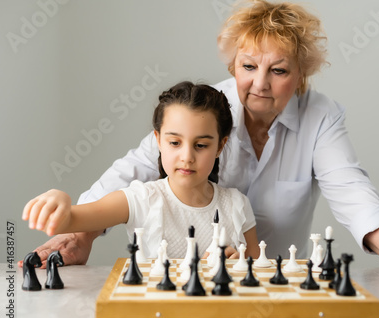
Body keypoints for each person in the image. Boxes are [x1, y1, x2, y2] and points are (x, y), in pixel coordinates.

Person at [21, 0, 379, 281]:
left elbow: (352, 191)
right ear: (232, 66)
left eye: (278, 70)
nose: (259, 84)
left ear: (302, 74)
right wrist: (79, 233)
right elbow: (136, 171)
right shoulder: (206, 113)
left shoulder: (321, 116)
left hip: (271, 283)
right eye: (248, 67)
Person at [22, 82, 259, 260]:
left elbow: (258, 272)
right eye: (174, 143)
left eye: (201, 145)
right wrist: (59, 201)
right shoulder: (140, 199)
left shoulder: (237, 205)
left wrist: (239, 266)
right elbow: (71, 220)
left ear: (220, 145)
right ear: (157, 140)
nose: (187, 157)